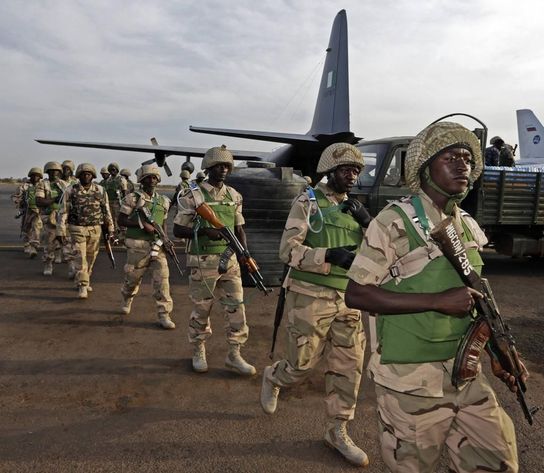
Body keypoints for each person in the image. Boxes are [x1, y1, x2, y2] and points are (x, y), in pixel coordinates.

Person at [344, 122, 527, 473]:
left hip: (465, 372)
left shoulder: (469, 226)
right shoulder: (394, 221)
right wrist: (435, 300)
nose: (463, 165)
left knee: (498, 460)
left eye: (467, 158)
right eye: (451, 157)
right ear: (426, 168)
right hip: (410, 380)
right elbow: (356, 293)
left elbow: (478, 298)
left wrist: (499, 351)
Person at [260, 143, 371, 467]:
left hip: (347, 298)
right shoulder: (308, 202)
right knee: (302, 365)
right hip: (309, 296)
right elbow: (287, 251)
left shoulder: (356, 209)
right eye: (346, 170)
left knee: (349, 367)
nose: (352, 176)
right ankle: (274, 377)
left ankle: (337, 430)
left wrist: (369, 221)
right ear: (330, 171)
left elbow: (378, 250)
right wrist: (327, 255)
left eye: (356, 171)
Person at [173, 145, 256, 375]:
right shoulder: (194, 196)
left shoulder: (234, 195)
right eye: (219, 166)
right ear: (208, 168)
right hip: (203, 261)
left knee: (237, 308)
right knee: (202, 309)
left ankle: (235, 354)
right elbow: (178, 230)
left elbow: (239, 229)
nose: (224, 170)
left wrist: (245, 253)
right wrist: (203, 232)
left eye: (227, 166)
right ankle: (198, 348)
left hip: (229, 261)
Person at [117, 165, 175, 329]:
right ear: (141, 180)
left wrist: (166, 239)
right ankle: (127, 297)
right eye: (148, 177)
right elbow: (121, 220)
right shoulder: (132, 198)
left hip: (157, 247)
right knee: (132, 280)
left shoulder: (164, 201)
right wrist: (142, 225)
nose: (152, 180)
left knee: (162, 282)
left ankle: (164, 314)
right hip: (137, 247)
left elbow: (162, 224)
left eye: (155, 177)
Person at [57, 163, 114, 299]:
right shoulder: (71, 190)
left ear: (93, 176)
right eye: (83, 174)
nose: (86, 176)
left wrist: (111, 228)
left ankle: (85, 278)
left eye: (88, 174)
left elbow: (106, 210)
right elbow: (63, 211)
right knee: (80, 257)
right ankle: (82, 285)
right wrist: (61, 230)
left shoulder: (100, 190)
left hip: (95, 228)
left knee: (91, 257)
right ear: (79, 176)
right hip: (77, 228)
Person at [35, 161, 67, 276]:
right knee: (49, 242)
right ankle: (48, 263)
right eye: (51, 171)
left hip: (64, 217)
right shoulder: (42, 184)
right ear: (47, 172)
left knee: (67, 242)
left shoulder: (64, 184)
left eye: (57, 171)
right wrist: (54, 199)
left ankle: (73, 266)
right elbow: (39, 201)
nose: (54, 173)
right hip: (49, 217)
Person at [12, 167, 44, 258]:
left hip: (38, 211)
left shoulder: (42, 186)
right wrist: (19, 202)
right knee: (26, 228)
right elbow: (16, 196)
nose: (35, 177)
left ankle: (33, 247)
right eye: (33, 175)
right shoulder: (24, 186)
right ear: (30, 176)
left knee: (36, 227)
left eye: (37, 176)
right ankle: (27, 244)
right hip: (27, 211)